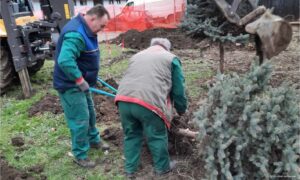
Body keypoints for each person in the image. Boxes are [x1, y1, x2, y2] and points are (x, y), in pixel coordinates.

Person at [115, 38, 188, 177]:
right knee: (157, 135)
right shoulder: (171, 58)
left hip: (123, 100)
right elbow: (178, 89)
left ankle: (130, 170)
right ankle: (162, 168)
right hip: (148, 103)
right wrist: (181, 108)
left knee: (131, 135)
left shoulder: (136, 55)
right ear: (167, 48)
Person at [53, 5, 110, 168]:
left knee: (90, 113)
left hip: (81, 81)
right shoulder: (76, 34)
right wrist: (79, 80)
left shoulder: (86, 28)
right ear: (92, 19)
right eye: (101, 26)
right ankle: (80, 154)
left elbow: (82, 56)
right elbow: (65, 60)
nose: (102, 29)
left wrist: (90, 76)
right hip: (70, 85)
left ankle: (94, 140)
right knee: (80, 119)